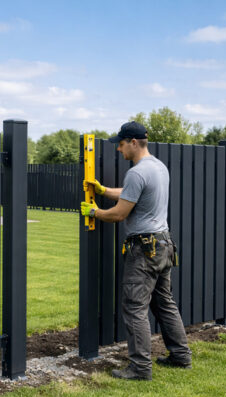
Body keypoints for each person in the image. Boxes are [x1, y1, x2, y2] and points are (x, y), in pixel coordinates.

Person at [81, 121, 192, 380]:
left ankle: (140, 368)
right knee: (164, 304)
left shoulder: (137, 172)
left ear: (133, 142)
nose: (118, 149)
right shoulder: (158, 167)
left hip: (144, 250)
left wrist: (95, 212)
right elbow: (133, 193)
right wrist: (104, 190)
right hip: (163, 245)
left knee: (135, 306)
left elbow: (119, 214)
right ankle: (181, 356)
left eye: (121, 144)